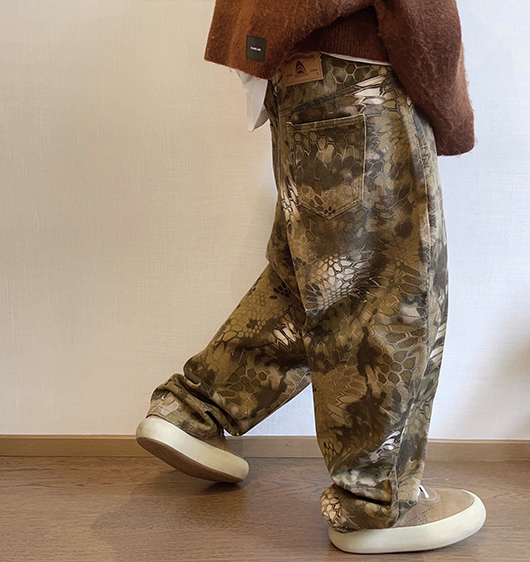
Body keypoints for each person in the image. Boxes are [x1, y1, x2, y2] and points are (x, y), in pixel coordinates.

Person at [136, 1, 486, 554]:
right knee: (386, 289)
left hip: (299, 83)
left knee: (309, 280)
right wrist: (451, 112)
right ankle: (376, 504)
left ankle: (194, 410)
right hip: (365, 85)